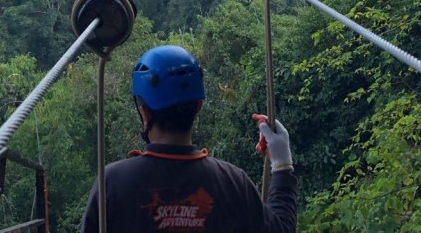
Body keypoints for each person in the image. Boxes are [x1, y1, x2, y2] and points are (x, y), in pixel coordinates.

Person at [80, 45, 297, 232]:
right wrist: (282, 165)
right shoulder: (232, 183)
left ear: (145, 114)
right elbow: (282, 229)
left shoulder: (112, 183)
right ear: (198, 106)